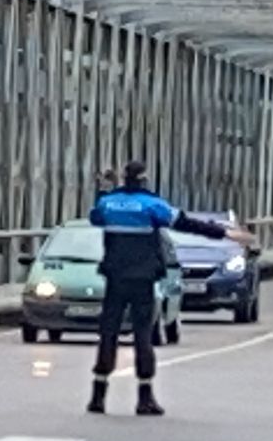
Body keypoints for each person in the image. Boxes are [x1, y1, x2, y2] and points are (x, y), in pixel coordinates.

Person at [86, 161, 252, 416]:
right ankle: (145, 397)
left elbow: (95, 217)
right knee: (143, 335)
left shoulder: (109, 203)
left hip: (115, 277)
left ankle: (98, 396)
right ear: (144, 180)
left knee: (108, 333)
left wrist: (105, 191)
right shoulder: (152, 205)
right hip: (143, 279)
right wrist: (226, 234)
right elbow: (184, 223)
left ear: (124, 179)